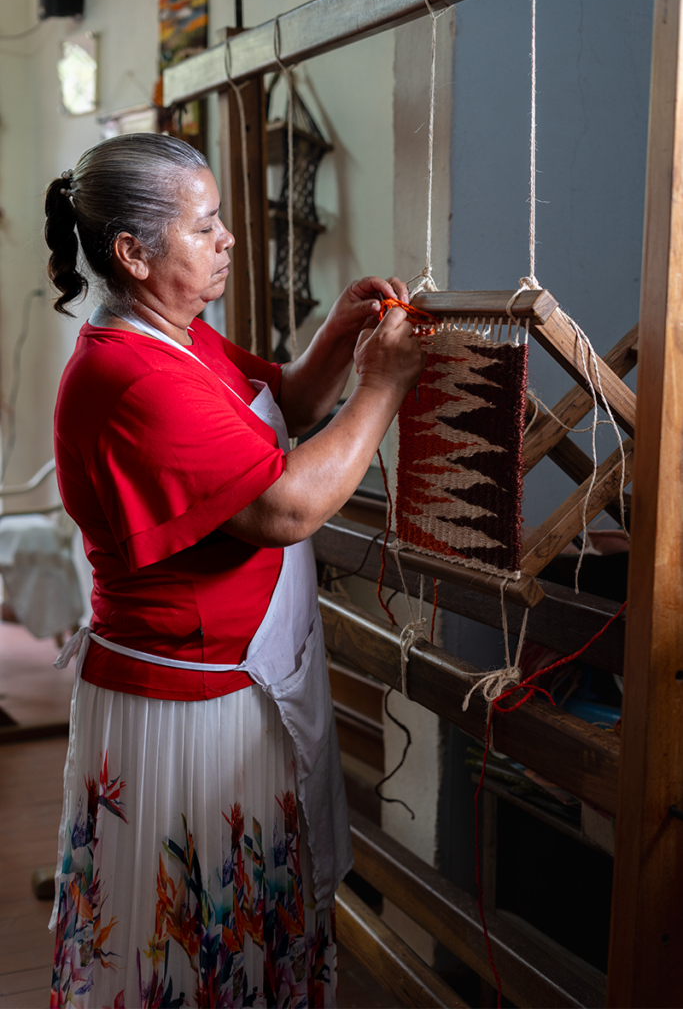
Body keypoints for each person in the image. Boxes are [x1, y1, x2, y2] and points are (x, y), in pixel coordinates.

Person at [45, 133, 423, 1009]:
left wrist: (339, 338)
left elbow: (283, 400)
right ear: (133, 252)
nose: (228, 240)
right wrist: (382, 387)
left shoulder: (181, 342)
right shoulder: (132, 378)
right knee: (190, 945)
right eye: (205, 224)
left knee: (243, 931)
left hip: (229, 681)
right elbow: (284, 508)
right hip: (187, 707)